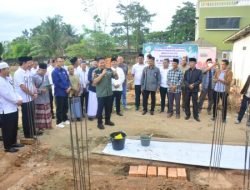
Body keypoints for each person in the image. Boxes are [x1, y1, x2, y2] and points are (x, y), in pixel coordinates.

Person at [0, 62, 24, 153]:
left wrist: (19, 99)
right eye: (7, 69)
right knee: (7, 128)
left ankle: (13, 142)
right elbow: (6, 94)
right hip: (5, 109)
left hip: (13, 107)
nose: (9, 71)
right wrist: (16, 101)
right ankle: (8, 146)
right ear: (2, 70)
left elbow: (14, 90)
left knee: (14, 126)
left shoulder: (8, 78)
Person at [14, 56, 37, 139]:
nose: (31, 64)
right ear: (24, 63)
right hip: (24, 99)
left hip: (31, 97)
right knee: (27, 118)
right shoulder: (18, 73)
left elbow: (32, 83)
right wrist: (32, 94)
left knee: (32, 116)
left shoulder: (28, 71)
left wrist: (35, 92)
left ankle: (33, 131)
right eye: (29, 63)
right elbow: (23, 87)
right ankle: (28, 135)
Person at [93, 57, 118, 129]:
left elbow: (116, 78)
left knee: (108, 108)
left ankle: (107, 121)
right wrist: (102, 74)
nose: (102, 64)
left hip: (109, 93)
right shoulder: (95, 71)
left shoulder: (109, 70)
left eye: (103, 62)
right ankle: (99, 123)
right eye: (101, 63)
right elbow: (95, 82)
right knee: (100, 109)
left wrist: (115, 73)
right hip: (101, 94)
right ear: (98, 63)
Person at [52, 57, 71, 128]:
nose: (61, 63)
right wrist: (66, 88)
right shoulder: (54, 72)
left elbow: (68, 79)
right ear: (56, 62)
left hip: (66, 92)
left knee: (65, 106)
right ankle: (59, 122)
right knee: (59, 108)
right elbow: (57, 83)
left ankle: (64, 119)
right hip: (59, 92)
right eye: (59, 61)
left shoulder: (64, 70)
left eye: (62, 61)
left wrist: (69, 87)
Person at [33, 63, 52, 131]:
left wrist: (48, 87)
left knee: (46, 113)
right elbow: (33, 89)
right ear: (39, 69)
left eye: (45, 71)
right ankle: (39, 127)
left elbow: (48, 84)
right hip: (38, 99)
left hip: (46, 97)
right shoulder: (34, 77)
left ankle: (47, 126)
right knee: (40, 114)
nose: (44, 72)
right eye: (43, 70)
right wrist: (40, 90)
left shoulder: (46, 76)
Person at [184, 58, 202, 122]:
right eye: (190, 62)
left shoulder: (199, 71)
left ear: (195, 63)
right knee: (186, 102)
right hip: (187, 89)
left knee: (195, 103)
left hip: (195, 90)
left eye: (192, 62)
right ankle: (188, 114)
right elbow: (185, 80)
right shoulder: (187, 71)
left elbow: (200, 80)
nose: (190, 63)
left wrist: (193, 85)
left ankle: (196, 116)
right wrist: (188, 85)